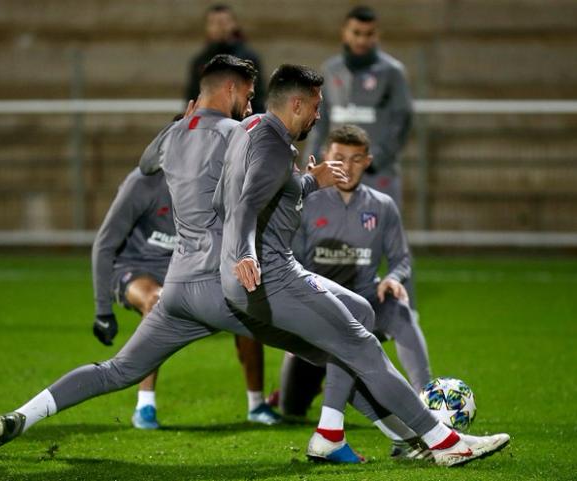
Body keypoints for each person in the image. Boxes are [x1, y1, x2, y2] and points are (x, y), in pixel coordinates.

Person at [0, 54, 331, 460]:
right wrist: (310, 182)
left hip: (178, 287)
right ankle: (392, 431)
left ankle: (22, 416)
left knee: (118, 369)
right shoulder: (245, 130)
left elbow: (146, 162)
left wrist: (182, 126)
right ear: (230, 89)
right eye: (247, 95)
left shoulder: (175, 135)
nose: (252, 105)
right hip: (221, 285)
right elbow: (268, 189)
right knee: (334, 343)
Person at [216, 63, 509, 466]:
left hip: (255, 276)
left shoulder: (249, 131)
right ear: (297, 104)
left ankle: (332, 433)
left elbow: (225, 200)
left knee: (360, 311)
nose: (320, 115)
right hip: (270, 276)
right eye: (316, 106)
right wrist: (246, 252)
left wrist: (310, 181)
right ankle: (444, 443)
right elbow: (247, 203)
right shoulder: (272, 144)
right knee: (363, 346)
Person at [91, 131, 281, 428]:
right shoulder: (142, 183)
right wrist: (103, 309)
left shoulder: (216, 181)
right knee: (156, 300)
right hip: (138, 269)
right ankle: (145, 406)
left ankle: (256, 405)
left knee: (246, 302)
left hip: (189, 268)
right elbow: (105, 243)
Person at [275, 125, 432, 457]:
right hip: (317, 311)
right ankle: (399, 430)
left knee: (400, 312)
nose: (346, 167)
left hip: (367, 303)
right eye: (339, 158)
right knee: (291, 406)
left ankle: (428, 399)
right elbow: (291, 262)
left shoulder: (383, 206)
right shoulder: (307, 203)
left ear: (368, 161)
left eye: (356, 159)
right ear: (326, 158)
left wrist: (394, 279)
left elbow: (402, 258)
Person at [303, 5, 412, 208]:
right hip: (335, 172)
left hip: (377, 174)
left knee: (378, 231)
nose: (362, 40)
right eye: (356, 33)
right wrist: (313, 160)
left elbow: (402, 121)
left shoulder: (392, 72)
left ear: (377, 35)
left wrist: (376, 160)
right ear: (344, 33)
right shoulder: (330, 70)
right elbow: (319, 120)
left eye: (369, 34)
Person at [186, 4, 266, 113]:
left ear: (234, 24)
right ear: (207, 27)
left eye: (224, 22)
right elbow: (193, 96)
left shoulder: (248, 58)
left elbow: (258, 97)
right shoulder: (200, 61)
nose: (220, 27)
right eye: (214, 23)